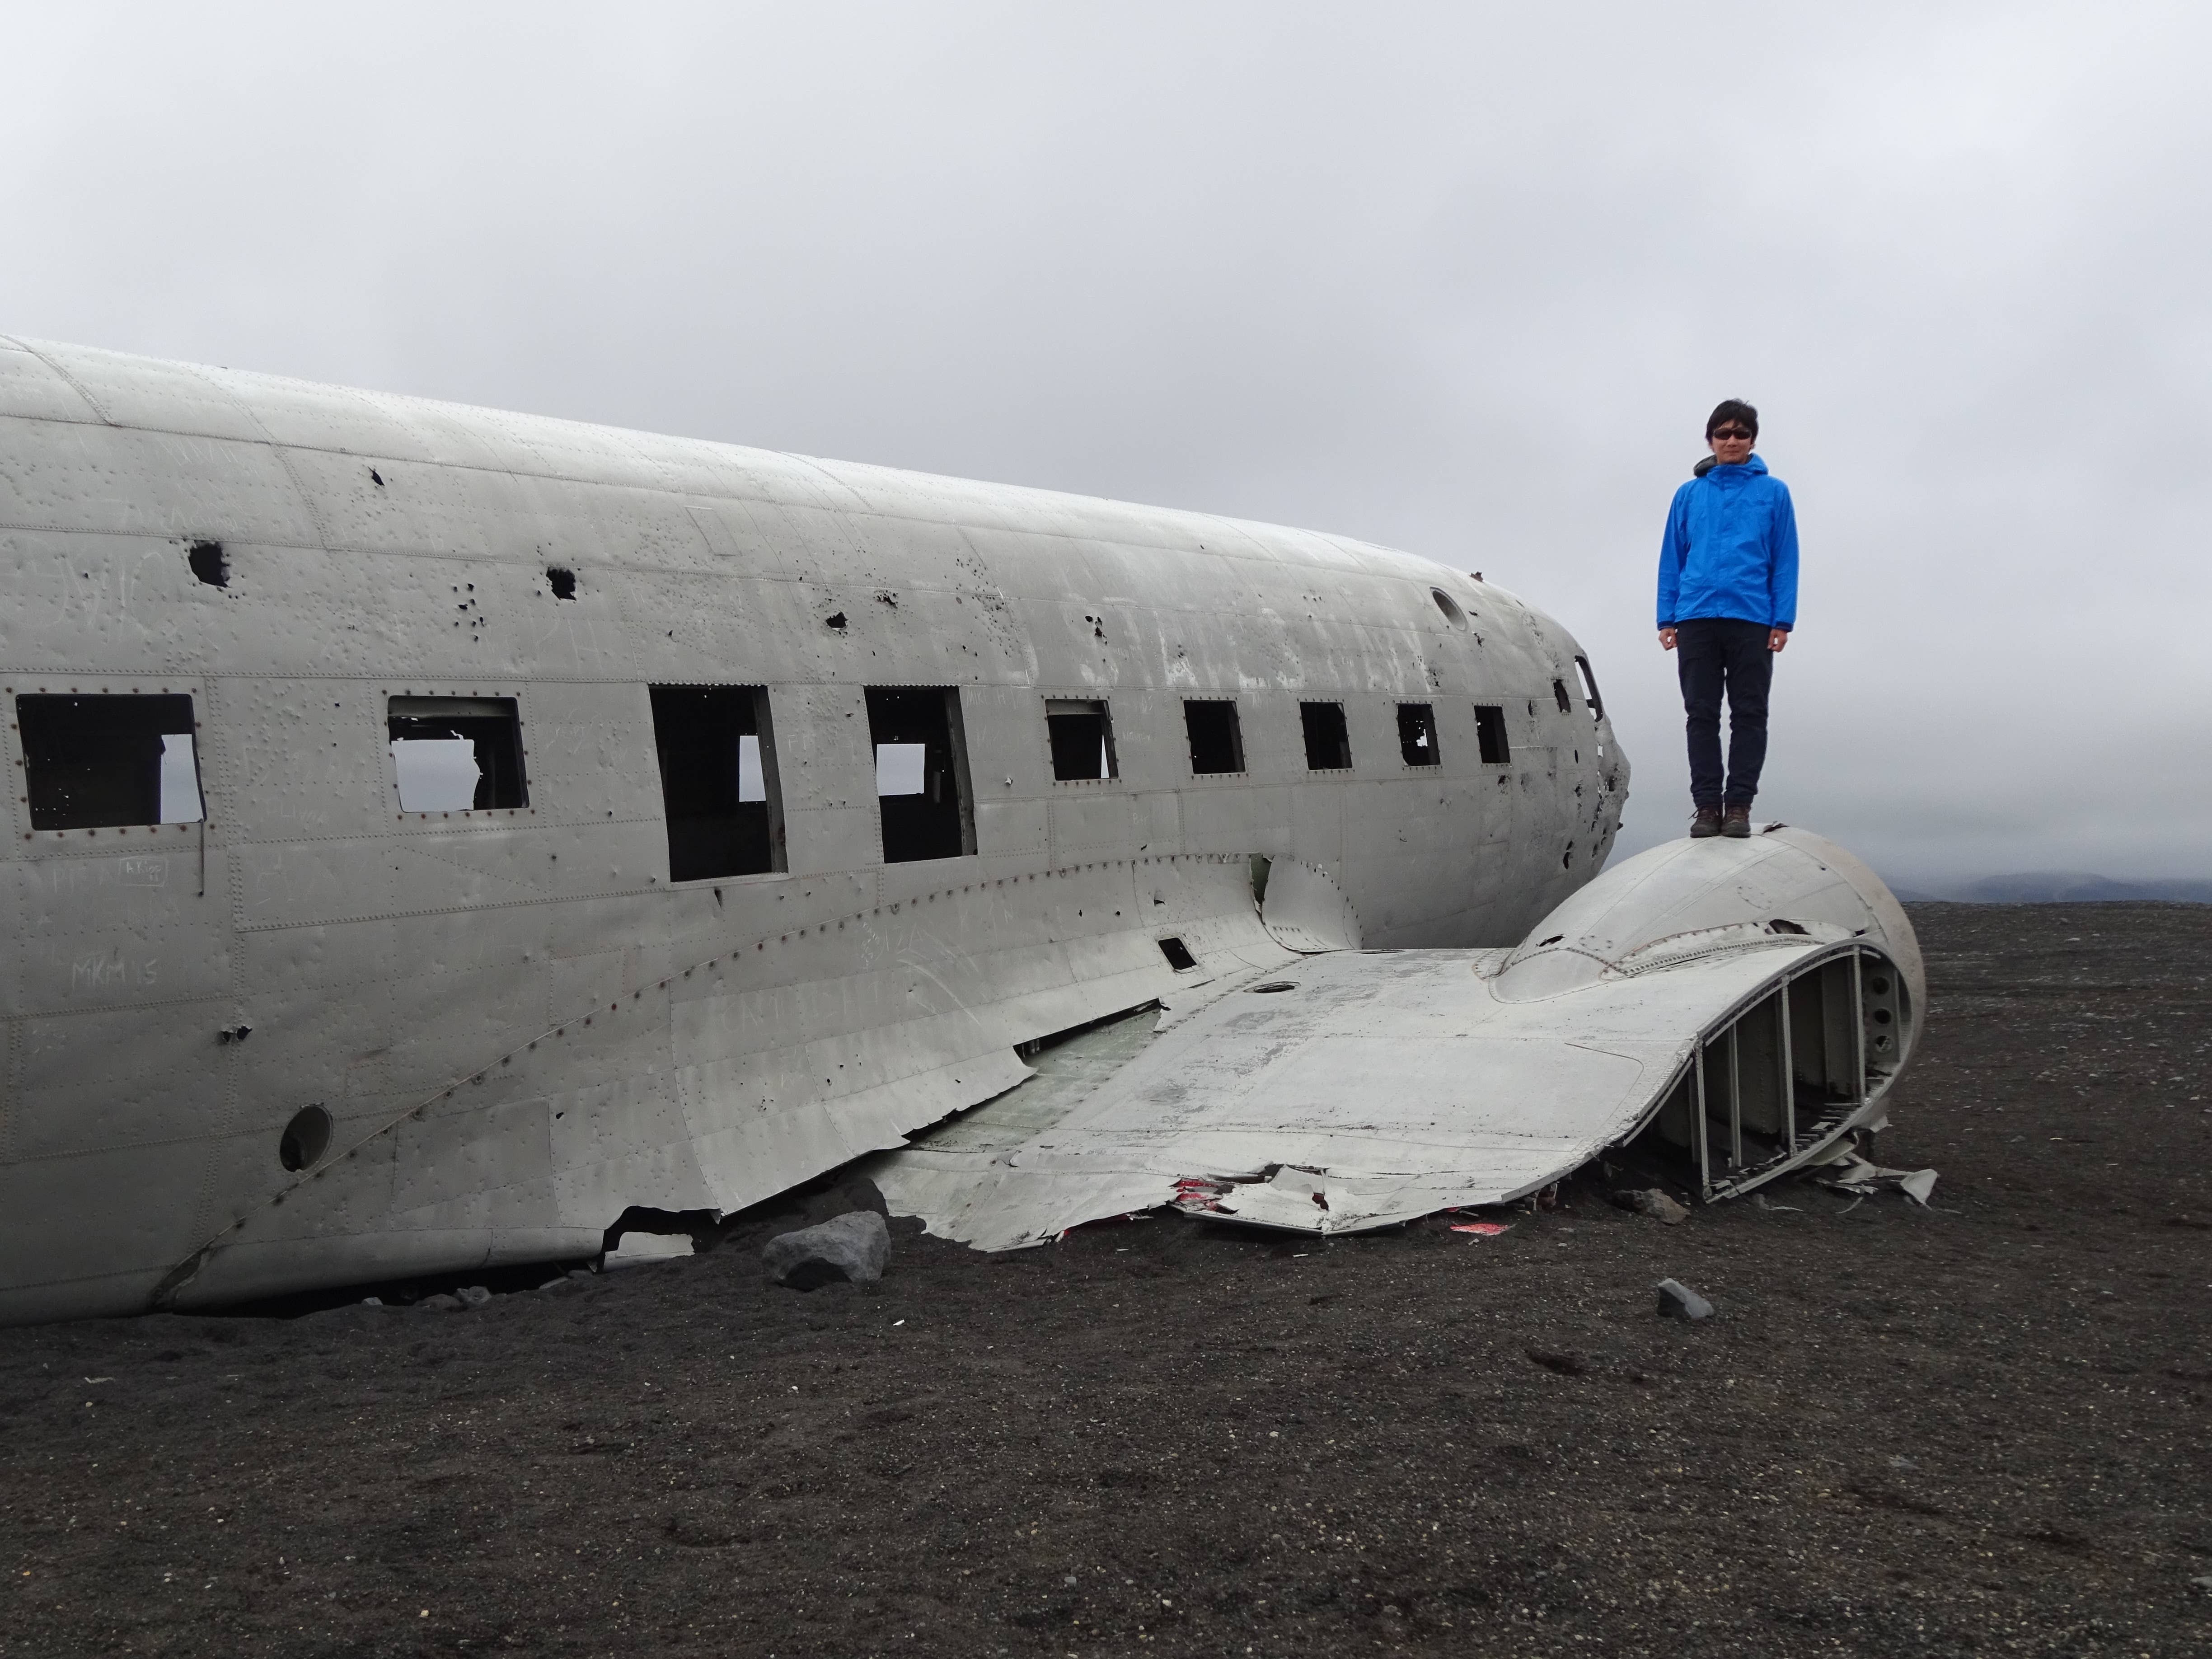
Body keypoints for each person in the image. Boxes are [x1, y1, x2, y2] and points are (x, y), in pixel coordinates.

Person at [1656, 398, 1797, 839]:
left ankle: (1738, 806)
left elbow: (1785, 558)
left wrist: (1783, 620)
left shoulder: (1774, 493)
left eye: (1741, 433)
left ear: (1753, 440)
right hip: (1696, 616)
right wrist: (1666, 617)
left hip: (1753, 617)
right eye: (1723, 433)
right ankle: (1706, 808)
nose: (1732, 441)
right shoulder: (1689, 495)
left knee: (1749, 714)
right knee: (1700, 714)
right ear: (1711, 440)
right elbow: (1673, 558)